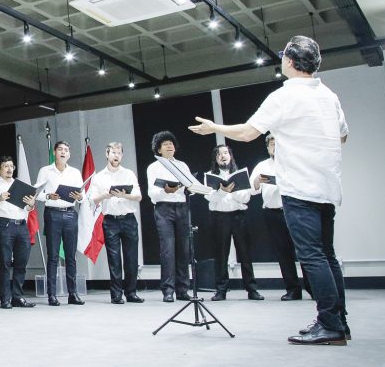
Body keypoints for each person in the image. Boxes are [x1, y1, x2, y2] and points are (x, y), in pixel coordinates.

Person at [190, 35, 349, 346]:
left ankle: (330, 325)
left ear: (289, 61)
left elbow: (249, 132)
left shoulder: (285, 95)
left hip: (300, 190)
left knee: (313, 257)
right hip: (327, 188)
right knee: (327, 255)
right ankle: (338, 321)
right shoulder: (329, 95)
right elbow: (342, 137)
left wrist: (215, 128)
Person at [250, 134, 307, 301]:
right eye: (271, 144)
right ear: (268, 148)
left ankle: (312, 287)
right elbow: (252, 190)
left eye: (277, 144)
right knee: (283, 253)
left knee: (304, 251)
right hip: (272, 212)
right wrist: (257, 182)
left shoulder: (293, 164)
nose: (274, 147)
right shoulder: (262, 165)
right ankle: (293, 289)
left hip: (294, 210)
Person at [203, 145, 263, 301]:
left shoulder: (240, 174)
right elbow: (211, 198)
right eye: (219, 154)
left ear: (230, 156)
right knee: (221, 254)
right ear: (215, 159)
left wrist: (232, 191)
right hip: (219, 217)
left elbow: (246, 198)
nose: (223, 156)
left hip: (238, 216)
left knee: (245, 253)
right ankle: (221, 290)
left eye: (225, 153)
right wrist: (223, 191)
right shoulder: (210, 175)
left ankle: (252, 289)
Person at [88, 142, 143, 305]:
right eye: (113, 152)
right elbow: (92, 199)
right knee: (114, 259)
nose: (116, 155)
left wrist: (124, 195)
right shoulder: (98, 177)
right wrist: (104, 195)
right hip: (110, 220)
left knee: (131, 258)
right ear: (107, 154)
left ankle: (131, 292)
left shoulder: (129, 174)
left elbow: (138, 196)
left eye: (119, 152)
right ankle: (116, 294)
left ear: (122, 155)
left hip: (129, 219)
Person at [0, 156, 36, 309]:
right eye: (6, 166)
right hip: (4, 225)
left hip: (22, 225)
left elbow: (27, 208)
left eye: (11, 166)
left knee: (21, 263)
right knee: (5, 263)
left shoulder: (19, 185)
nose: (9, 169)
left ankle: (17, 297)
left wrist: (31, 205)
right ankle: (5, 299)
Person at [36, 141, 85, 306]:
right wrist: (49, 196)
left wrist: (80, 197)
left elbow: (82, 194)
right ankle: (52, 295)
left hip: (71, 213)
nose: (63, 152)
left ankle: (73, 294)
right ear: (55, 153)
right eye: (60, 150)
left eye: (66, 150)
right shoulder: (45, 171)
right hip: (53, 214)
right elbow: (37, 194)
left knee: (71, 256)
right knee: (53, 256)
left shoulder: (75, 172)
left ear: (69, 154)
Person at [146, 131, 192, 303]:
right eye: (165, 144)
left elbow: (191, 184)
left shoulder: (182, 165)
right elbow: (152, 193)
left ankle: (183, 289)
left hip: (182, 207)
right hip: (163, 208)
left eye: (171, 143)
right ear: (158, 149)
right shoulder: (153, 167)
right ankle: (168, 290)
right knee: (167, 250)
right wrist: (165, 190)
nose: (169, 146)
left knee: (183, 249)